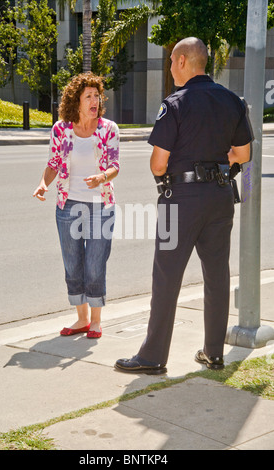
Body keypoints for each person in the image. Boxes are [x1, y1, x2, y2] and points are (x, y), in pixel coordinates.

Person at [115, 37, 253, 374]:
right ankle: (214, 352)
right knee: (217, 276)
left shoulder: (175, 103)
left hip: (181, 201)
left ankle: (152, 357)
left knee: (167, 276)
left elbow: (158, 164)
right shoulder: (232, 101)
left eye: (170, 62)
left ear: (180, 61)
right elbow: (244, 155)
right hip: (220, 197)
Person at [33, 72, 120, 339]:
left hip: (100, 206)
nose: (95, 100)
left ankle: (95, 321)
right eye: (89, 96)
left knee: (95, 264)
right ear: (77, 101)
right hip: (68, 205)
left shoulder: (108, 129)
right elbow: (53, 164)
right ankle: (81, 318)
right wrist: (43, 184)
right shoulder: (61, 129)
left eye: (97, 96)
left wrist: (102, 176)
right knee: (73, 264)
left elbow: (115, 166)